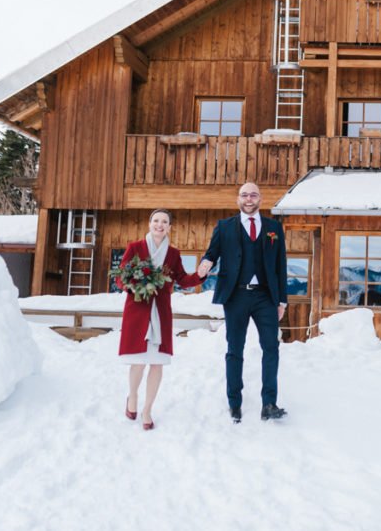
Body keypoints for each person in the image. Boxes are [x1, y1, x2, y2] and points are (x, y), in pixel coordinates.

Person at [198, 182, 288, 423]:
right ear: (238, 198)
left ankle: (269, 403)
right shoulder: (224, 226)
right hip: (235, 295)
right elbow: (212, 252)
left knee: (271, 348)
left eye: (254, 195)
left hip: (265, 297)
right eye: (245, 195)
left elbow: (281, 266)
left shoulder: (274, 228)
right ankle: (234, 402)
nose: (249, 199)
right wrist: (206, 262)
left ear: (260, 198)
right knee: (234, 350)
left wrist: (282, 301)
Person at [117, 209, 204, 430]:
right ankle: (133, 396)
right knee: (138, 360)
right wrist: (134, 285)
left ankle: (147, 409)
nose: (159, 225)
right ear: (149, 223)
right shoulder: (135, 248)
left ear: (169, 227)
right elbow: (120, 277)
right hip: (138, 310)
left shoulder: (173, 254)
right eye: (156, 220)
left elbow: (183, 280)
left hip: (160, 313)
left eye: (164, 222)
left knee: (157, 362)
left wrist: (200, 274)